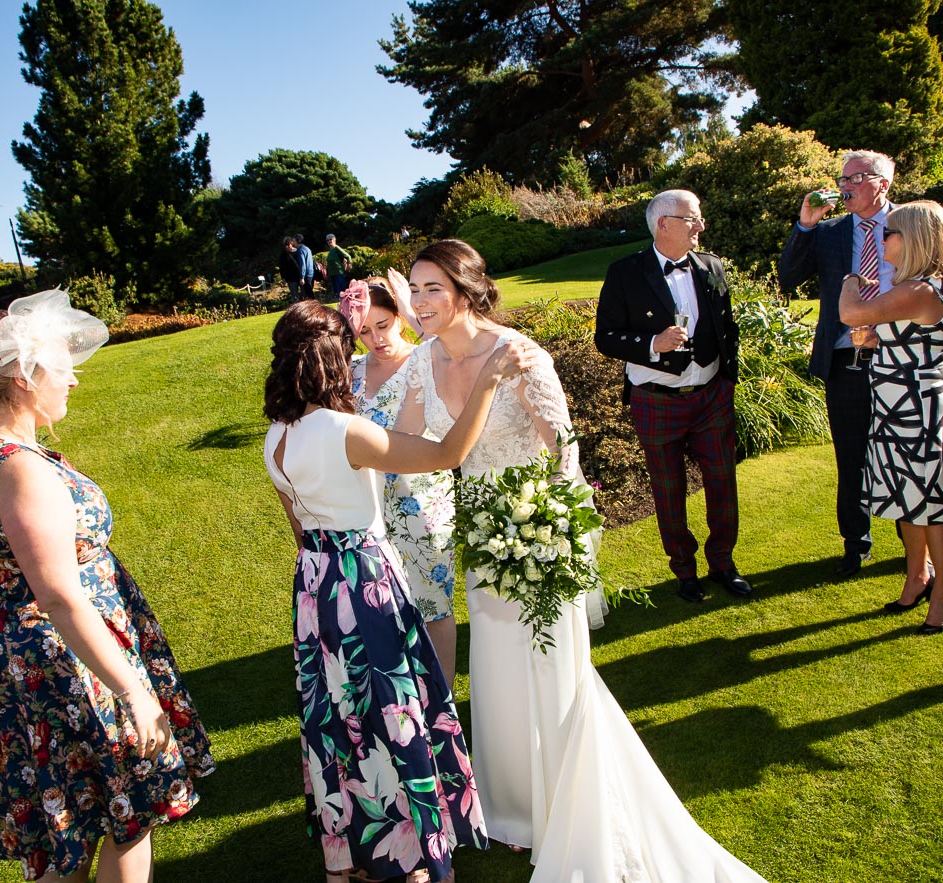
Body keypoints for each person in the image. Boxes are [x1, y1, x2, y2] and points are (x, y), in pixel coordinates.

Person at [396, 239, 767, 882]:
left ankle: (565, 807)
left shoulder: (519, 354)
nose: (420, 302)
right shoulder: (423, 361)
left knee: (550, 667)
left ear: (465, 290)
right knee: (496, 666)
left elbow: (562, 450)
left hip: (538, 531)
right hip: (483, 533)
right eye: (415, 288)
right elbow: (404, 440)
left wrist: (542, 523)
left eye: (433, 288)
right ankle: (513, 808)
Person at [264, 300, 536, 882]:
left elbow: (300, 530)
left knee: (341, 715)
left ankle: (357, 851)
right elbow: (446, 454)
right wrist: (488, 381)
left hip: (315, 586)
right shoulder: (347, 431)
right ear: (333, 362)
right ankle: (411, 853)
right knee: (392, 710)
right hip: (365, 581)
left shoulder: (275, 438)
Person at [0, 290, 215, 882]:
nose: (73, 380)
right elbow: (60, 597)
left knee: (71, 825)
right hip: (64, 663)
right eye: (61, 368)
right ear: (24, 378)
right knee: (129, 814)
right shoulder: (20, 469)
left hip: (36, 661)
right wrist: (133, 691)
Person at [779, 150, 943, 580]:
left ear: (883, 184)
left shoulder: (914, 223)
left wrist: (928, 313)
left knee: (905, 453)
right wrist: (806, 225)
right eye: (842, 179)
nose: (844, 186)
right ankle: (855, 545)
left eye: (855, 178)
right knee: (852, 456)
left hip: (903, 362)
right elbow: (788, 277)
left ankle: (915, 553)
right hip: (847, 359)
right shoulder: (830, 232)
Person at [594, 189, 749, 603]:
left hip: (712, 395)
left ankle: (723, 563)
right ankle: (684, 570)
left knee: (722, 481)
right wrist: (652, 343)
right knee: (668, 489)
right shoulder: (626, 272)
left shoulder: (711, 265)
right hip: (656, 397)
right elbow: (605, 337)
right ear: (664, 224)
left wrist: (727, 380)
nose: (701, 226)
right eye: (692, 218)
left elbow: (727, 327)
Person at [838, 201, 943, 634]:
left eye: (889, 232)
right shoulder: (917, 288)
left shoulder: (923, 290)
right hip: (896, 409)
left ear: (913, 239)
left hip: (919, 412)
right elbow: (911, 342)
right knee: (906, 502)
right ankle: (917, 577)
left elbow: (850, 312)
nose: (882, 239)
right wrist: (876, 342)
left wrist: (850, 280)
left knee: (934, 507)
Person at [340, 272, 459, 678]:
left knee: (434, 605)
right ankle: (401, 696)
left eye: (384, 324)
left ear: (399, 318)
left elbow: (450, 347)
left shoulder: (427, 359)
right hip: (366, 508)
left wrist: (412, 311)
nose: (377, 339)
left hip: (421, 502)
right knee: (383, 607)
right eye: (365, 331)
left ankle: (443, 701)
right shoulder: (350, 371)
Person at [325, 233, 353, 299]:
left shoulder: (336, 248)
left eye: (330, 239)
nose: (329, 241)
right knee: (336, 293)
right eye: (327, 240)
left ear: (334, 240)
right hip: (332, 274)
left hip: (339, 273)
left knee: (341, 292)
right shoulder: (330, 251)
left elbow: (348, 256)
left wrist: (349, 264)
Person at [279, 235, 301, 301]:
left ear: (291, 243)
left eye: (288, 245)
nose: (287, 247)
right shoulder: (284, 255)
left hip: (300, 276)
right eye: (285, 245)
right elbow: (282, 267)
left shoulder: (299, 251)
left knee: (304, 294)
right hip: (290, 278)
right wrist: (283, 278)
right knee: (295, 296)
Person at [294, 234, 315, 299]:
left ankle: (314, 304)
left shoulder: (300, 250)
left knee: (308, 294)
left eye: (294, 241)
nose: (293, 242)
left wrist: (302, 277)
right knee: (310, 291)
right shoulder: (307, 248)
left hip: (306, 274)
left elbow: (302, 264)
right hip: (311, 273)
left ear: (297, 241)